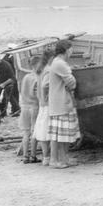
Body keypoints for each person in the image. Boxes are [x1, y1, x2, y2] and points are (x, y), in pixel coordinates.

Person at [47, 39, 81, 168]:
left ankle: (64, 158)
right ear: (66, 50)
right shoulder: (60, 63)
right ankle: (55, 160)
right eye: (71, 48)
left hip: (60, 102)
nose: (72, 51)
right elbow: (72, 83)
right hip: (60, 102)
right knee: (59, 135)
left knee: (63, 134)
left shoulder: (57, 62)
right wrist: (72, 76)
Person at [33, 47, 54, 166]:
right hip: (47, 104)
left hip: (42, 104)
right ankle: (47, 157)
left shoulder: (41, 69)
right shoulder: (49, 70)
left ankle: (46, 157)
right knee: (48, 132)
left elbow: (39, 87)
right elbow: (45, 85)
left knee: (42, 131)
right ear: (51, 57)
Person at [18, 56, 41, 163]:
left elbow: (22, 92)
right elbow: (36, 95)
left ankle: (25, 156)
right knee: (34, 132)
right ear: (36, 65)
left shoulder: (26, 77)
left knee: (26, 133)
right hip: (34, 107)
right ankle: (33, 156)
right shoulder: (37, 78)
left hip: (24, 106)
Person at [0, 53, 19, 119]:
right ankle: (2, 109)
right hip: (0, 80)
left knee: (5, 98)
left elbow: (12, 78)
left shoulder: (6, 65)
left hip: (9, 82)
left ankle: (3, 114)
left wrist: (3, 84)